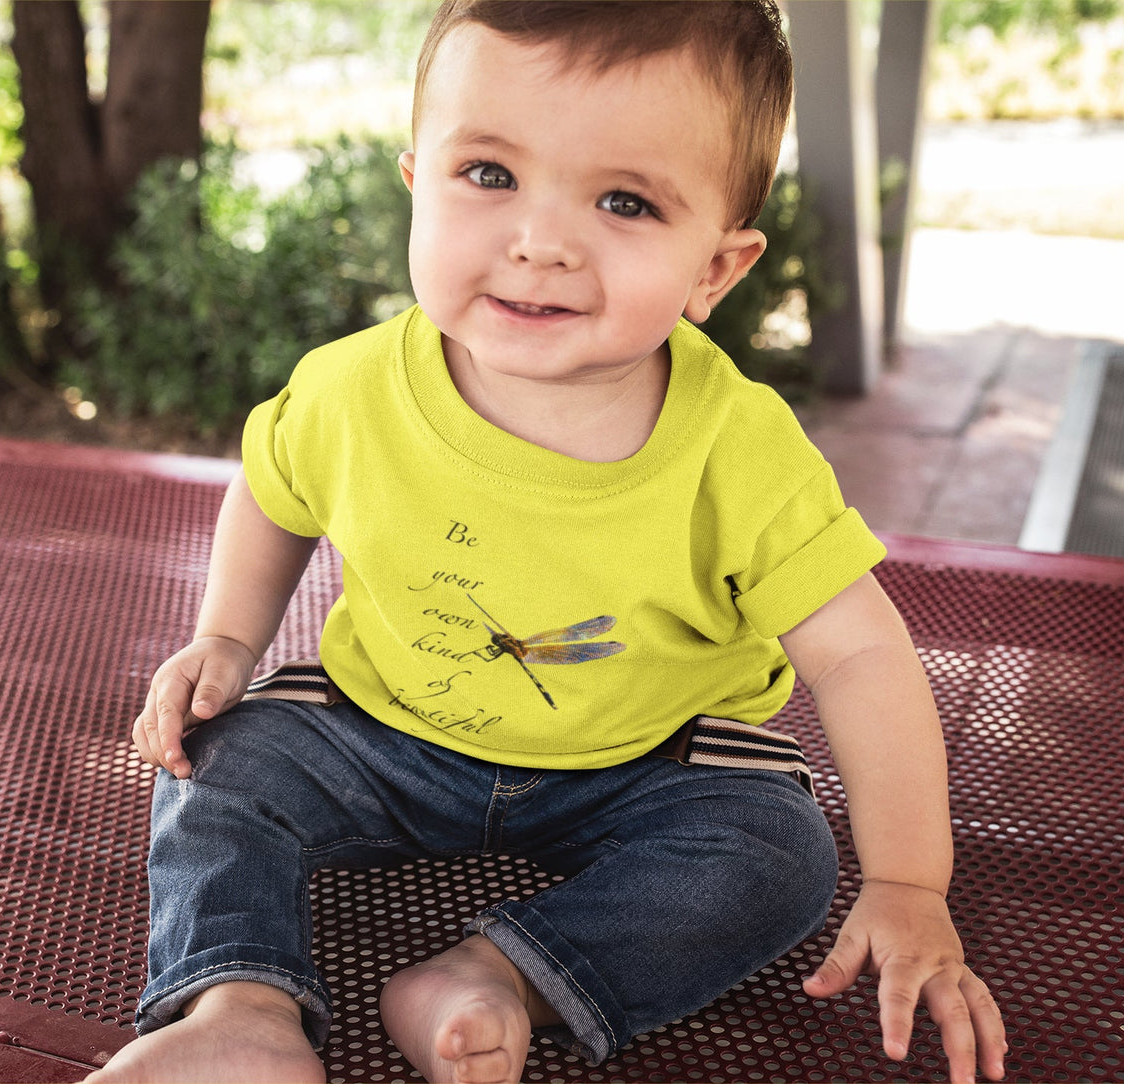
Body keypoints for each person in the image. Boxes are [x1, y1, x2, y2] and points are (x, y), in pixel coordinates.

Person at [87, 3, 1008, 1082]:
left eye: (623, 200)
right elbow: (275, 490)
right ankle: (235, 1004)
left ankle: (498, 976)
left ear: (714, 268)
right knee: (217, 758)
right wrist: (229, 637)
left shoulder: (737, 450)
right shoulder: (350, 388)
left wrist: (906, 880)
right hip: (383, 730)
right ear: (416, 181)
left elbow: (857, 652)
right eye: (487, 174)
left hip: (642, 763)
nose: (539, 240)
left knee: (779, 853)